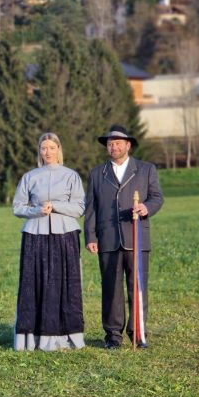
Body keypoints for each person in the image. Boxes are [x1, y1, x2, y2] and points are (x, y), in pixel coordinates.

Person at [84, 125, 164, 350]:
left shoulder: (146, 169)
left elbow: (157, 197)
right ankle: (113, 336)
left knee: (137, 287)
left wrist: (146, 208)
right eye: (110, 143)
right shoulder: (96, 174)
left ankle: (138, 334)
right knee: (111, 289)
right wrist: (91, 236)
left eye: (118, 142)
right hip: (107, 239)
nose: (114, 146)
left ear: (128, 145)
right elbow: (91, 208)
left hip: (136, 237)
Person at [12, 132, 86, 351]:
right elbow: (17, 207)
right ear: (39, 151)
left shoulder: (71, 176)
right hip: (35, 235)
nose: (48, 152)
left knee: (67, 284)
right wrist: (37, 210)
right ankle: (32, 337)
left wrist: (55, 206)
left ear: (59, 150)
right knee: (34, 285)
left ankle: (67, 336)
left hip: (66, 235)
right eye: (44, 148)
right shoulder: (30, 177)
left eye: (52, 148)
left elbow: (80, 207)